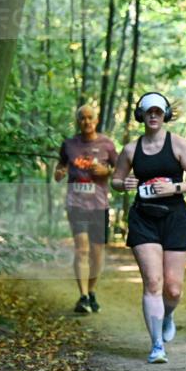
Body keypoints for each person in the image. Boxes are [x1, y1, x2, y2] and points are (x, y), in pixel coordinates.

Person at [111, 92, 186, 364]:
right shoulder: (131, 149)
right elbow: (116, 180)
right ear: (141, 115)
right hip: (143, 218)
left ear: (165, 115)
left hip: (175, 217)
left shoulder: (177, 144)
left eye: (158, 112)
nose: (153, 116)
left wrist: (174, 187)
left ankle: (168, 315)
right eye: (148, 112)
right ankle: (156, 345)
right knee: (153, 282)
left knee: (173, 289)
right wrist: (123, 184)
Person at [54, 104, 118, 313]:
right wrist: (60, 173)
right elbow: (60, 167)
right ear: (78, 121)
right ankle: (82, 296)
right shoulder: (69, 145)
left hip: (99, 205)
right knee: (82, 249)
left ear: (96, 120)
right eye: (82, 118)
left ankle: (90, 292)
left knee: (97, 254)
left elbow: (119, 170)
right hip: (76, 203)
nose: (87, 122)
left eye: (90, 118)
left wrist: (105, 170)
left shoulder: (107, 145)